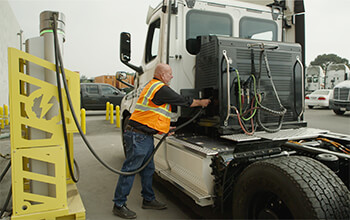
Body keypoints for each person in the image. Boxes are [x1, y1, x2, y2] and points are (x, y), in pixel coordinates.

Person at [112, 63, 211, 219]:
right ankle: (118, 204)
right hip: (138, 136)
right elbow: (182, 100)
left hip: (143, 135)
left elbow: (151, 115)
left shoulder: (154, 86)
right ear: (162, 74)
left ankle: (148, 199)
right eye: (169, 73)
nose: (172, 76)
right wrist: (201, 102)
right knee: (130, 170)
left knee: (148, 169)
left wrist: (164, 129)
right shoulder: (160, 88)